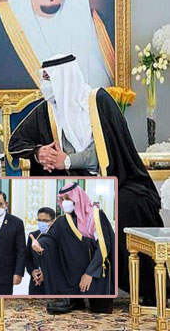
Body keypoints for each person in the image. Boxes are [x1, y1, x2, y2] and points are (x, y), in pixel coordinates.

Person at [9, 53, 164, 306]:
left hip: (117, 179)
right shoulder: (47, 109)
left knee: (129, 205)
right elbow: (15, 143)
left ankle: (147, 287)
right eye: (43, 78)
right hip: (75, 187)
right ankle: (71, 291)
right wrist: (39, 152)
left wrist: (67, 161)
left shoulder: (98, 101)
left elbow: (108, 151)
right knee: (65, 225)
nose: (45, 85)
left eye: (49, 78)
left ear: (65, 78)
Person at [30, 183, 114, 314]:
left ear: (78, 197)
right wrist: (39, 244)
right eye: (62, 199)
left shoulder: (96, 216)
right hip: (71, 272)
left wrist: (89, 273)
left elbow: (103, 247)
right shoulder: (62, 221)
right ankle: (73, 299)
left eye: (68, 198)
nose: (65, 202)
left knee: (100, 310)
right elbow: (50, 238)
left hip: (95, 269)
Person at [25, 207, 55, 295]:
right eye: (39, 220)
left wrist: (46, 273)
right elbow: (28, 257)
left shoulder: (58, 237)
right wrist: (32, 272)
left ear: (53, 221)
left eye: (45, 221)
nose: (42, 223)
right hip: (36, 280)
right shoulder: (33, 235)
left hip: (53, 281)